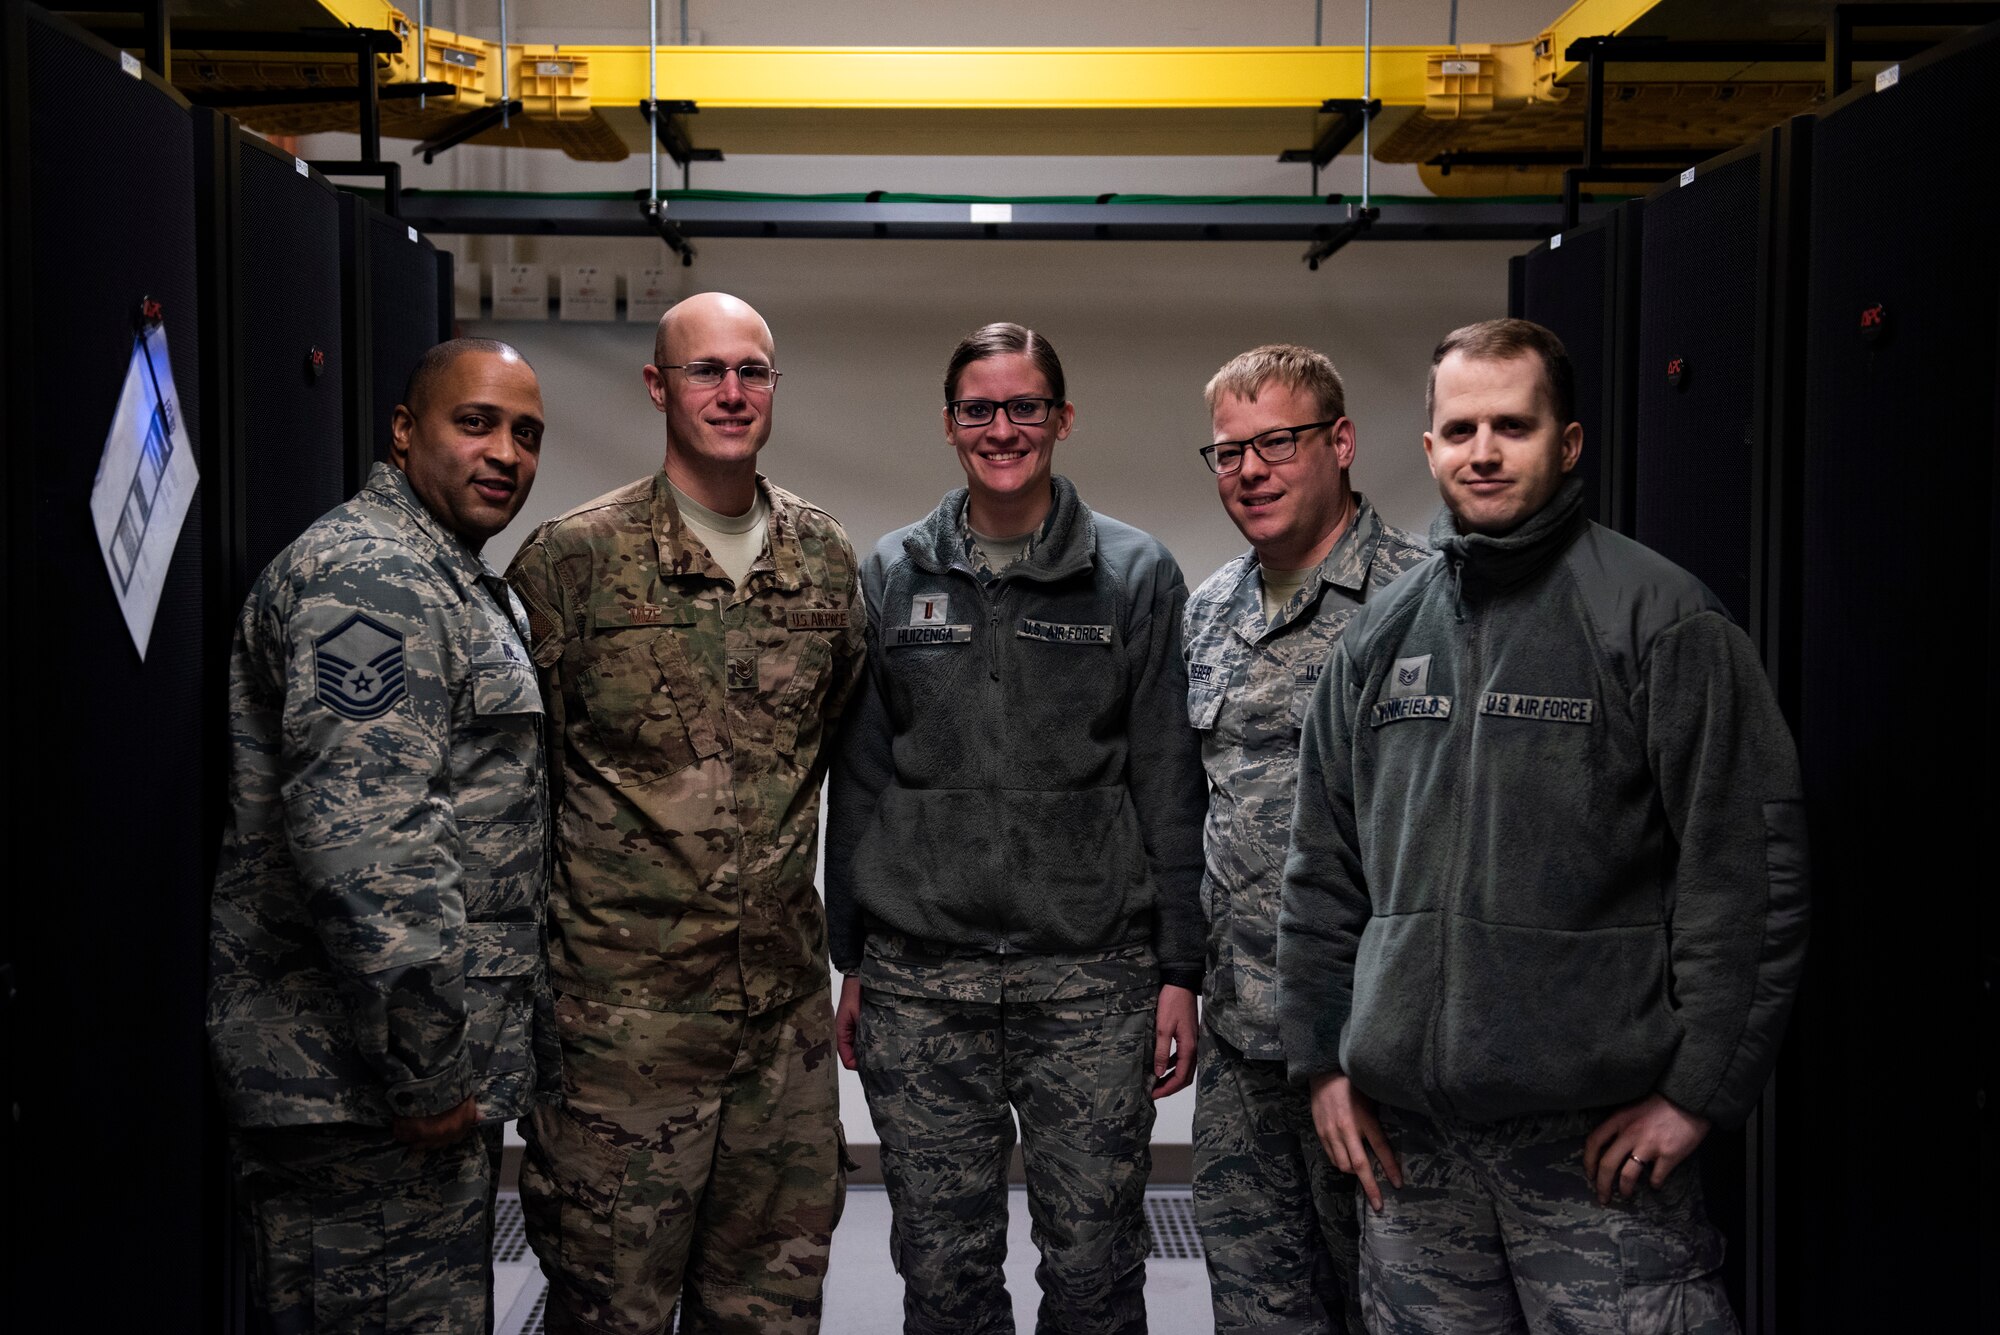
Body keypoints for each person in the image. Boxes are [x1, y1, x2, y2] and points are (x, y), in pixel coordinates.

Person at [1277, 318, 1810, 1334]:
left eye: (1511, 426)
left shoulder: (1659, 621)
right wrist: (1322, 1065)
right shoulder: (1379, 638)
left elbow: (1746, 874)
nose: (1483, 451)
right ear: (1428, 446)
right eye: (1459, 428)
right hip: (1413, 1154)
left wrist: (1697, 1093)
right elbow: (1321, 872)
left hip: (1594, 1154)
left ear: (1564, 443)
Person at [826, 321, 1206, 1335]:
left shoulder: (1132, 574)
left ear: (1061, 418)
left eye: (1023, 406)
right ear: (949, 425)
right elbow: (860, 776)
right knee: (942, 1280)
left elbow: (1168, 777)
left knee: (1093, 1275)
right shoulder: (894, 572)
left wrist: (1180, 969)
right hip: (920, 983)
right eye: (978, 409)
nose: (1002, 427)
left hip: (1091, 983)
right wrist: (850, 958)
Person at [505, 291, 865, 1335]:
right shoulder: (571, 564)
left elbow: (830, 751)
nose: (730, 391)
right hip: (621, 1039)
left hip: (776, 1044)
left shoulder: (826, 561)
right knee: (608, 1308)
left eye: (752, 371)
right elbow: (520, 794)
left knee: (769, 1312)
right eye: (705, 370)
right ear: (657, 386)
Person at [208, 337, 557, 1333]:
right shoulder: (373, 581)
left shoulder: (440, 576)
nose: (504, 454)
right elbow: (368, 847)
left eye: (525, 434)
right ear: (405, 433)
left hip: (396, 1087)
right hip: (358, 1092)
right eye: (475, 421)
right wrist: (425, 1066)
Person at [1184, 345, 1428, 1333]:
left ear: (1339, 442)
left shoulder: (1421, 603)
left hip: (1379, 1056)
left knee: (1395, 1309)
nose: (1249, 469)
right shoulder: (1204, 613)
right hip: (1241, 1054)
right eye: (1227, 450)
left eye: (1275, 442)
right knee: (1257, 1315)